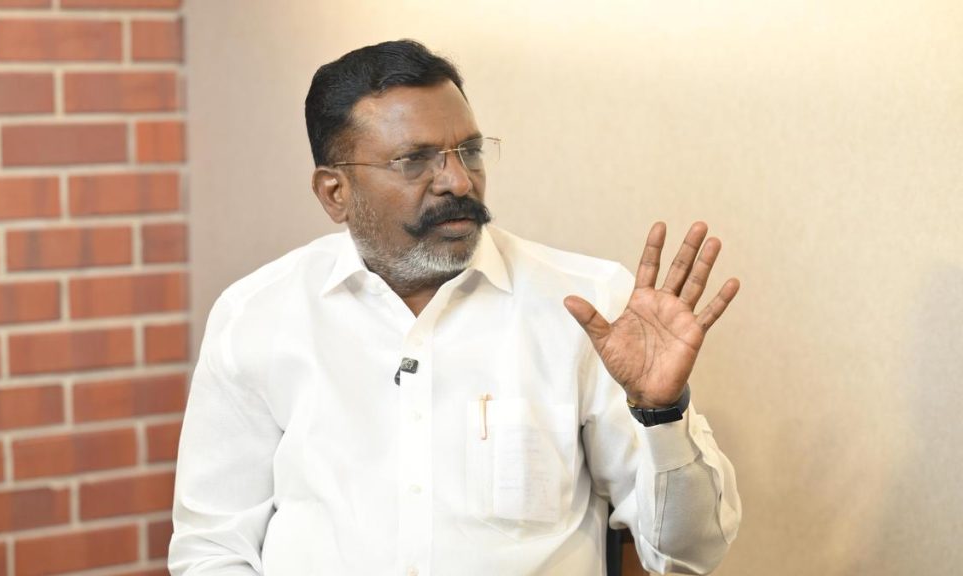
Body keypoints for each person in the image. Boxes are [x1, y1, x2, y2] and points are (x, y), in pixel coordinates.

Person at [170, 39, 741, 576]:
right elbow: (213, 547)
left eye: (469, 151)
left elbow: (688, 555)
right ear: (334, 193)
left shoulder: (587, 307)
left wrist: (662, 414)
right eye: (414, 160)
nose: (458, 181)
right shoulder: (257, 314)